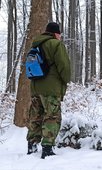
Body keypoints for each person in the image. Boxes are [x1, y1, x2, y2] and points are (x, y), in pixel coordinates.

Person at [26, 22, 71, 159]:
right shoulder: (56, 45)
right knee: (52, 117)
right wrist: (65, 80)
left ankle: (32, 145)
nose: (60, 36)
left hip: (35, 87)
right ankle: (47, 147)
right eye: (59, 34)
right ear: (56, 33)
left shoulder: (35, 45)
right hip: (51, 88)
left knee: (35, 116)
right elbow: (64, 66)